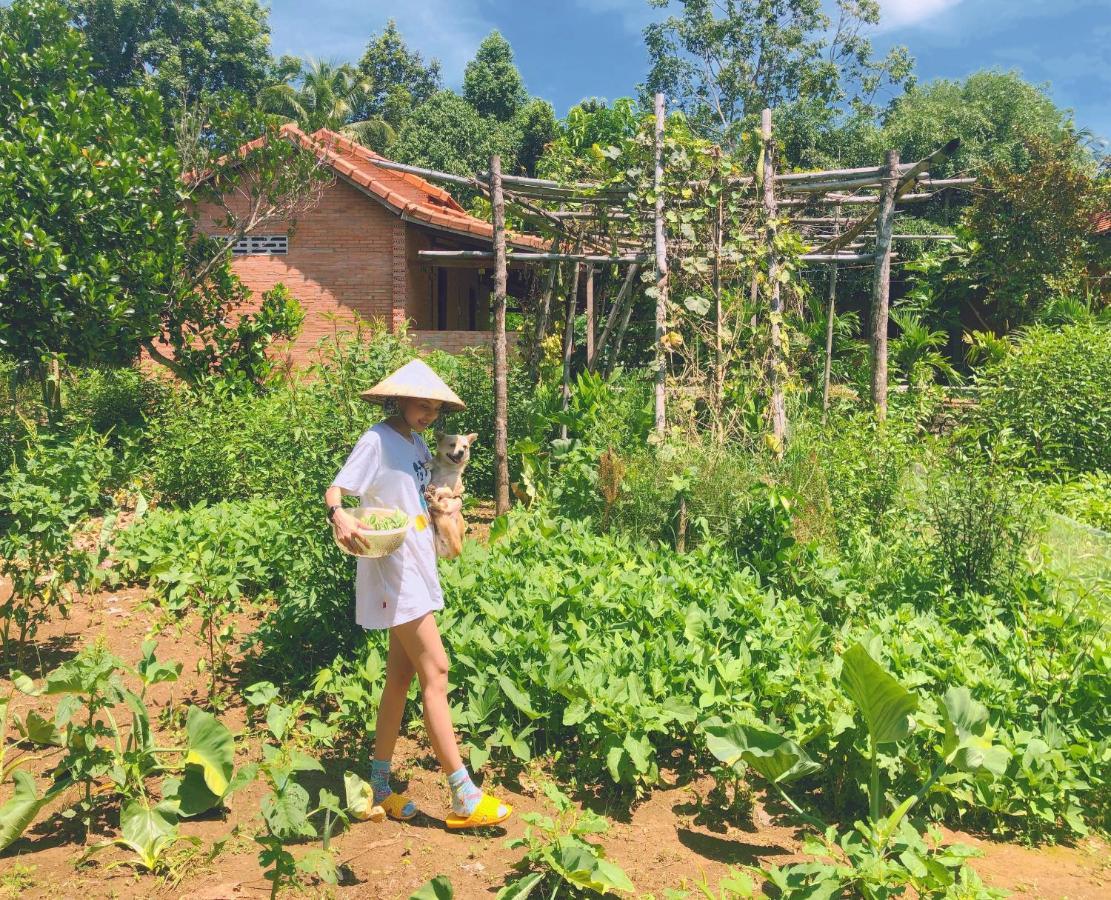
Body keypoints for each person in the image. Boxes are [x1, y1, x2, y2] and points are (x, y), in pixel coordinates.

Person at [323, 359, 512, 830]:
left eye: (434, 407)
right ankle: (463, 795)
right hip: (393, 571)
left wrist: (444, 503)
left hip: (418, 563)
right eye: (421, 404)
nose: (429, 413)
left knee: (400, 678)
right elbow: (337, 488)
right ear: (400, 399)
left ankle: (379, 786)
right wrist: (340, 515)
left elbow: (414, 494)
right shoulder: (377, 439)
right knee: (437, 669)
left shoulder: (417, 442)